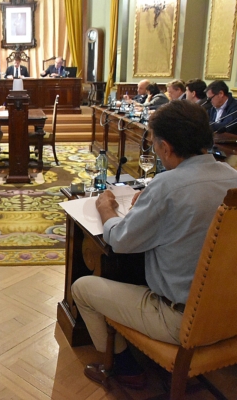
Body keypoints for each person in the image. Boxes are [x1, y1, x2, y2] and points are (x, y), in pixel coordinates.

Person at [71, 100, 237, 390]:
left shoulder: (167, 186)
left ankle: (124, 369)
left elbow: (121, 240)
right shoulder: (232, 178)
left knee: (83, 288)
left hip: (182, 320)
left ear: (166, 148)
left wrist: (105, 209)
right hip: (230, 311)